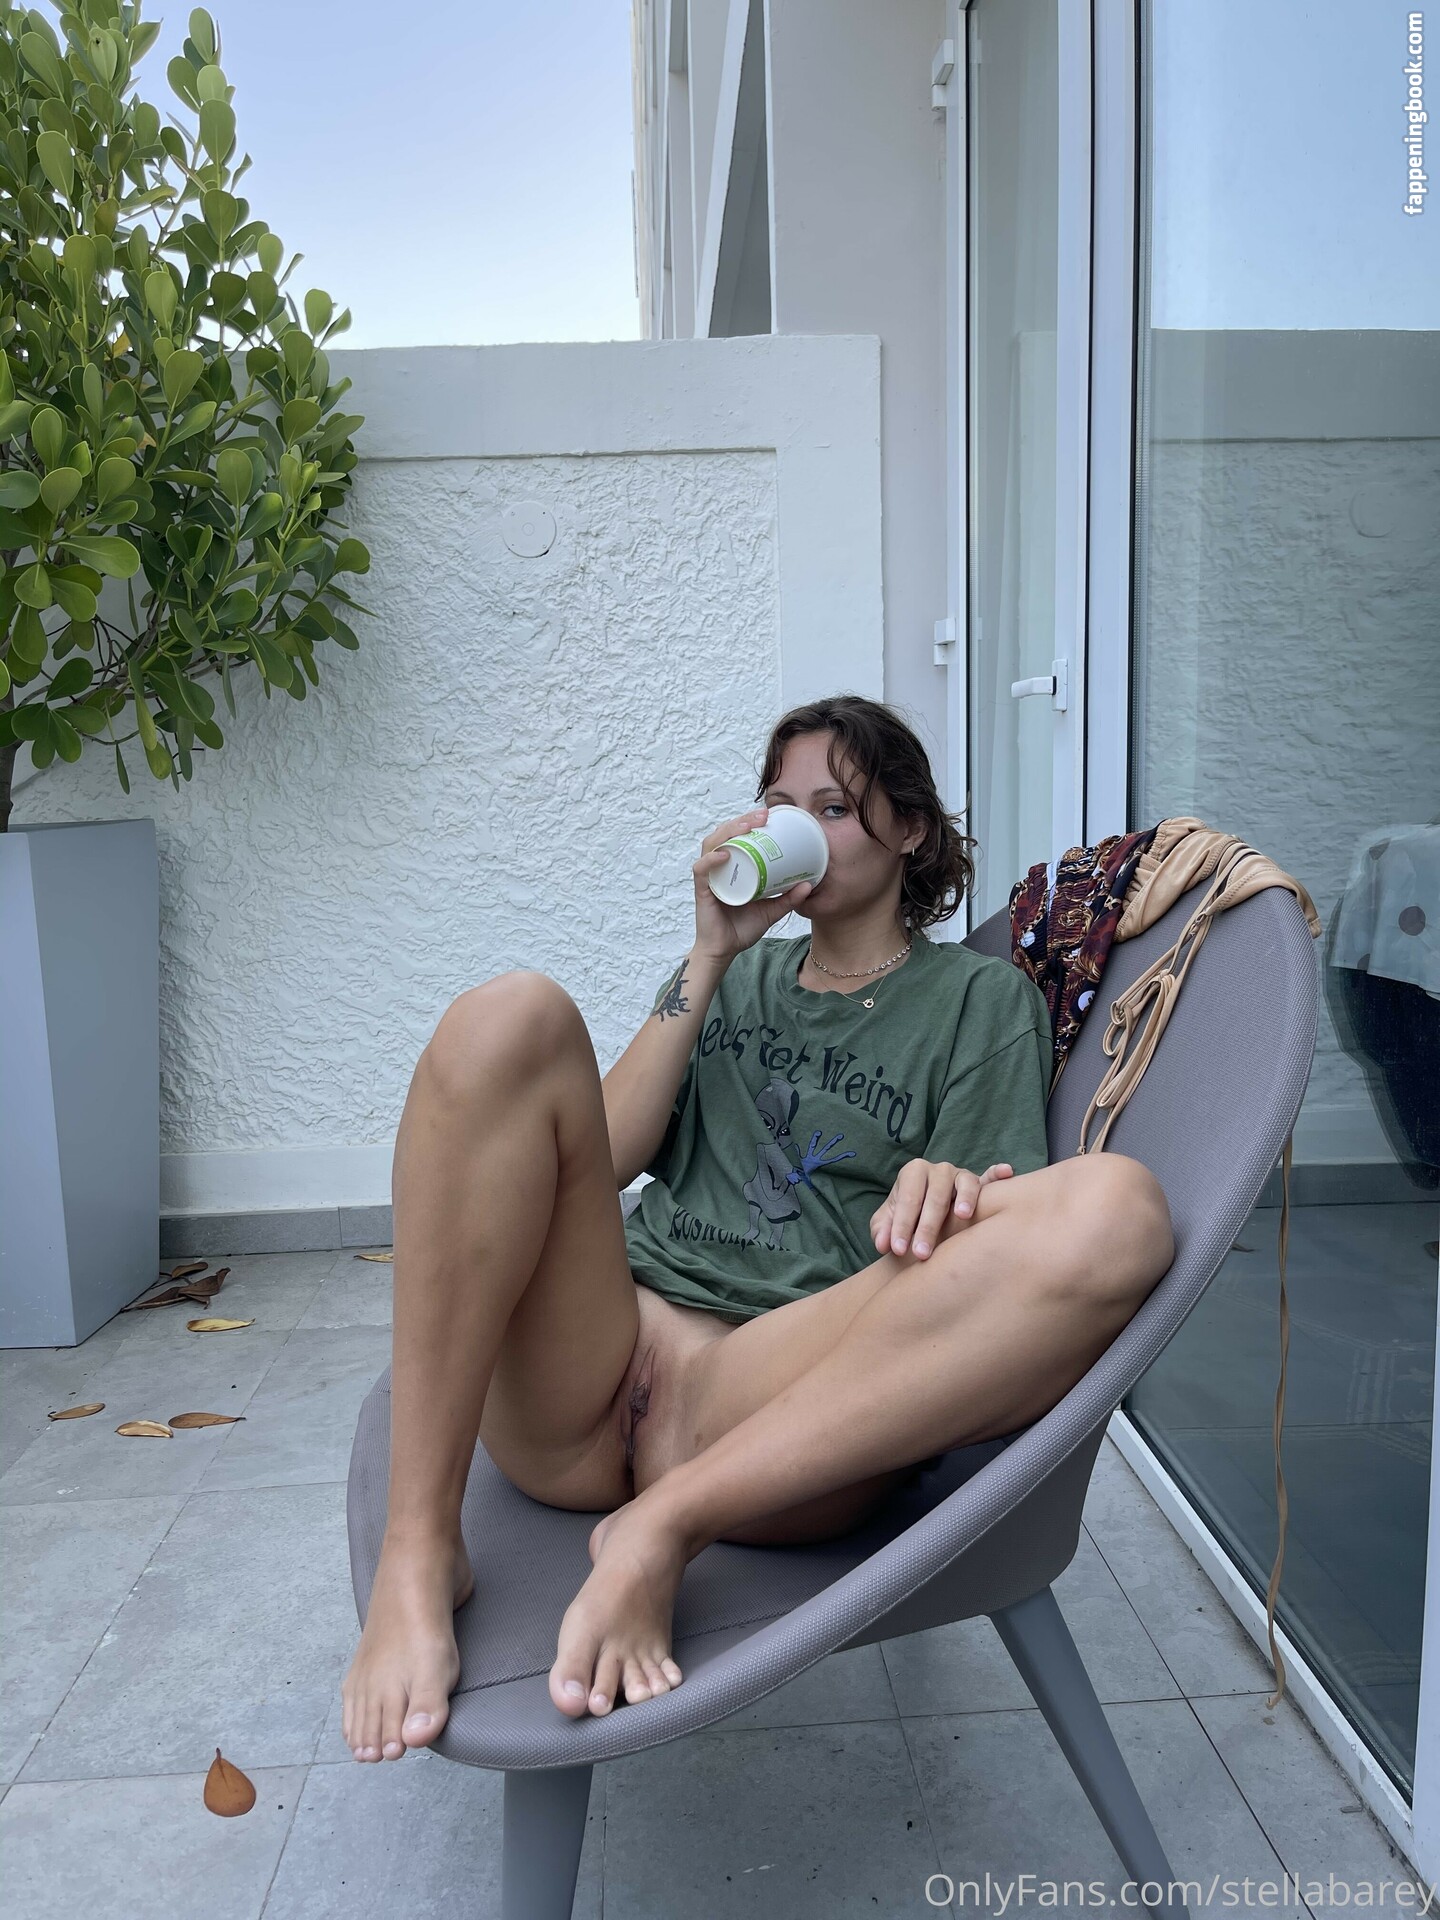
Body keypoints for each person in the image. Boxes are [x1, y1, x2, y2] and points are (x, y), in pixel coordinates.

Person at [341, 695, 1175, 1760]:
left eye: (834, 807)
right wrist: (711, 953)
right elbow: (603, 1158)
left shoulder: (977, 1000)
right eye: (780, 804)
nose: (798, 827)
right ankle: (420, 1550)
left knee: (1117, 1209)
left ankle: (661, 1527)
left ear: (911, 830)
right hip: (588, 1369)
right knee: (507, 1015)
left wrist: (942, 1183)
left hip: (765, 1402)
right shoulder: (734, 979)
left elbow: (991, 1230)